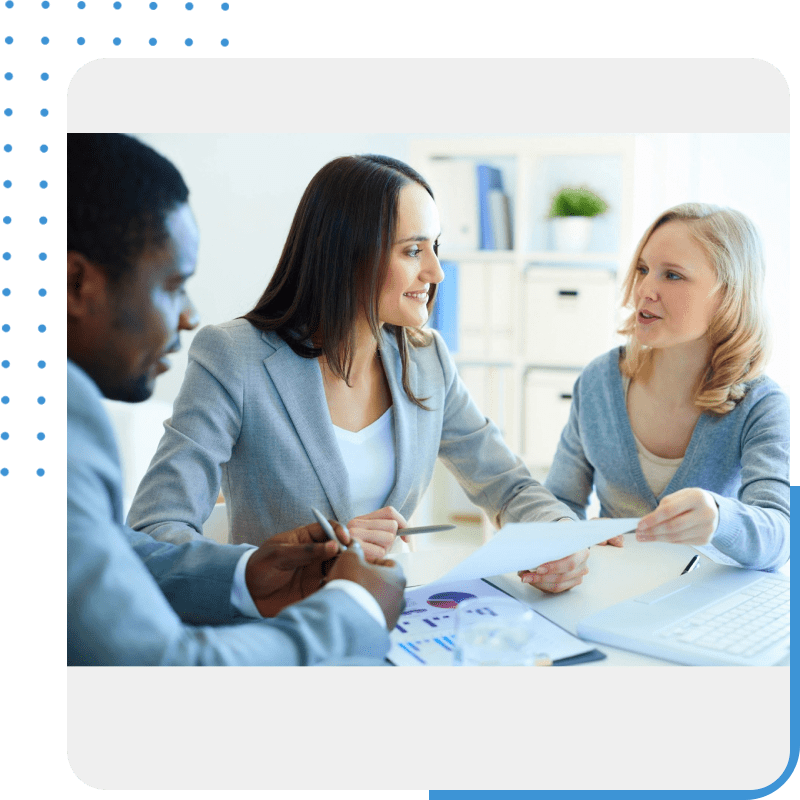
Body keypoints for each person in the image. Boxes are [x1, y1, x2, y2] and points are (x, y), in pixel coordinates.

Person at [127, 154, 589, 594]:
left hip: (391, 617)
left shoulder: (428, 359)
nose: (435, 272)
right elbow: (154, 533)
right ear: (349, 255)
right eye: (413, 251)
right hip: (285, 627)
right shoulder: (234, 357)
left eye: (435, 247)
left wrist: (560, 536)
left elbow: (506, 485)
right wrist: (314, 560)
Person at [67, 133, 406, 666]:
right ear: (76, 284)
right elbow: (168, 668)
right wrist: (353, 607)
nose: (188, 315)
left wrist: (244, 574)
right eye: (174, 285)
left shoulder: (422, 359)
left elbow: (97, 554)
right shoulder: (72, 419)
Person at [534, 203, 789, 573]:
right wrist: (572, 535)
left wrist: (720, 518)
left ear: (728, 296)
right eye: (642, 269)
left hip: (705, 607)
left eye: (672, 276)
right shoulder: (599, 383)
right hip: (610, 593)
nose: (644, 290)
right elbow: (560, 499)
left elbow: (782, 536)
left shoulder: (763, 406)